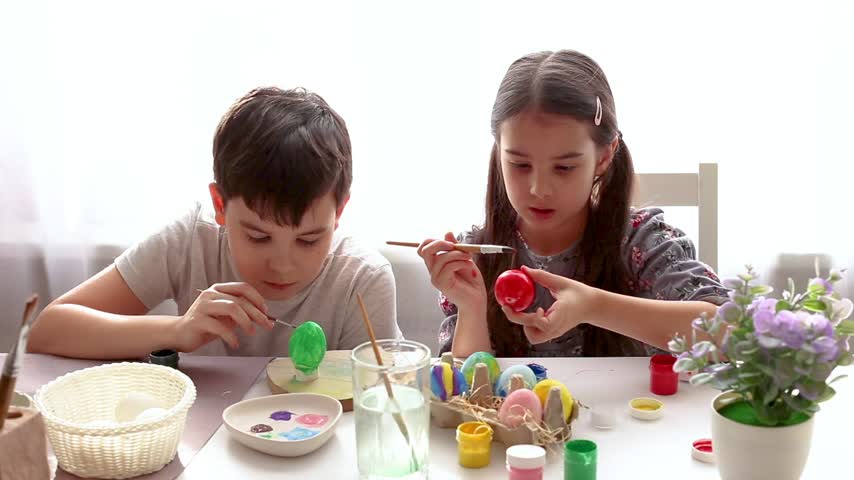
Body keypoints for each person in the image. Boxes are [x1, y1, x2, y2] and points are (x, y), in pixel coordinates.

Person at [29, 87, 402, 359]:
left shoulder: (362, 279)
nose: (283, 265)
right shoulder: (191, 241)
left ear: (338, 214)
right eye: (257, 236)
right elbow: (46, 332)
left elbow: (381, 402)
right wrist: (177, 329)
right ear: (220, 205)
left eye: (308, 240)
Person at [418, 50, 728, 358]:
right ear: (499, 152)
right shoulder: (476, 255)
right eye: (520, 165)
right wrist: (470, 307)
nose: (539, 189)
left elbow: (728, 333)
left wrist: (594, 306)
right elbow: (465, 383)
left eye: (564, 168)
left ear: (604, 156)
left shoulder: (641, 242)